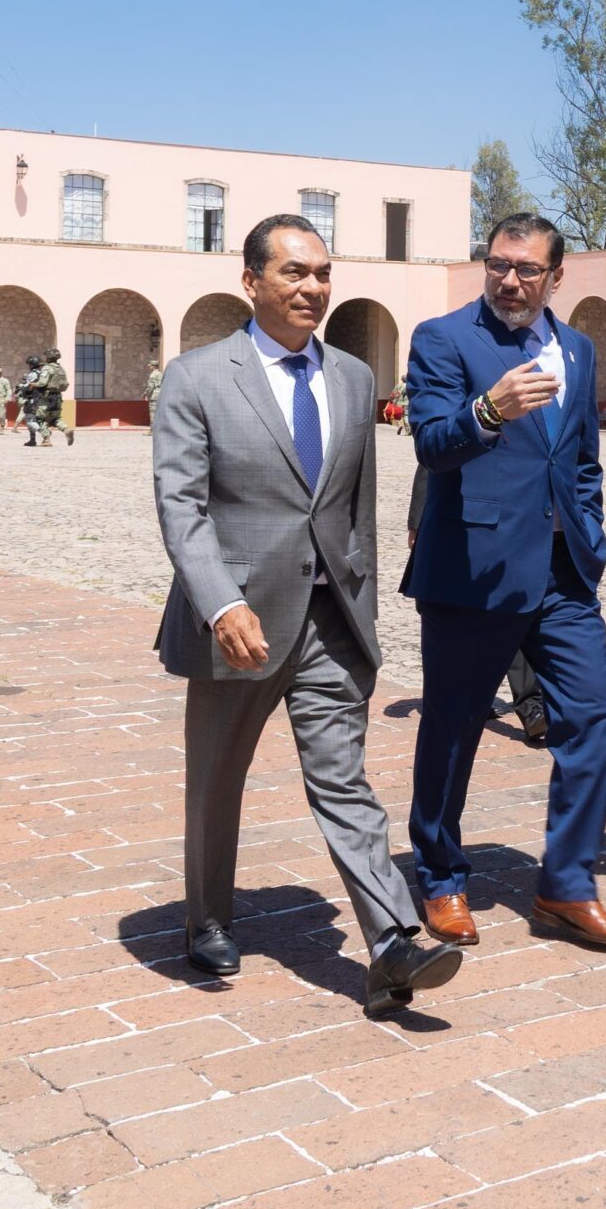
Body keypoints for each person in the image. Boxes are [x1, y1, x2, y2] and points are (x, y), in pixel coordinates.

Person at [150, 212, 456, 1018]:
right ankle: (207, 917)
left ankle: (392, 941)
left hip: (330, 622)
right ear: (250, 281)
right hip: (238, 625)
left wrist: (363, 615)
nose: (312, 287)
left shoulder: (353, 378)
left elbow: (357, 513)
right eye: (294, 272)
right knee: (216, 780)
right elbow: (181, 506)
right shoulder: (197, 377)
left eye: (322, 273)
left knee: (344, 780)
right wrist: (220, 602)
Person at [402, 214, 606, 950]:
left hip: (563, 576)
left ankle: (567, 884)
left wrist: (589, 532)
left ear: (556, 277)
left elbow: (582, 457)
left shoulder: (579, 348)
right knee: (453, 728)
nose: (509, 280)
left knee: (592, 718)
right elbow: (432, 445)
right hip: (475, 568)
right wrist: (487, 410)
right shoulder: (444, 339)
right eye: (498, 264)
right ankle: (440, 875)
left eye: (527, 269)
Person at [403, 480, 546, 745]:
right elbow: (430, 466)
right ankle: (476, 698)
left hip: (519, 524)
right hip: (463, 530)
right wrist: (418, 519)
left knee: (514, 612)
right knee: (470, 622)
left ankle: (531, 706)